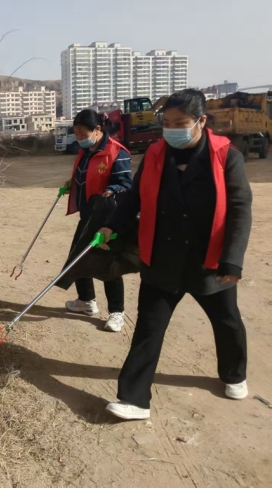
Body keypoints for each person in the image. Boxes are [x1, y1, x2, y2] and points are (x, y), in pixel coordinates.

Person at [99, 89, 253, 420]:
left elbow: (240, 210)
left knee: (227, 322)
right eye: (166, 123)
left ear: (201, 121)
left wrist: (232, 260)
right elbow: (133, 197)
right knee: (148, 329)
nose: (171, 129)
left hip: (208, 260)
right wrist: (112, 226)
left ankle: (234, 374)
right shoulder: (156, 154)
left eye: (180, 123)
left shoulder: (227, 156)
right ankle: (134, 399)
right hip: (162, 257)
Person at [64, 109, 133, 332]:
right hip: (88, 214)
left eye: (83, 133)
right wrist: (72, 182)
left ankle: (117, 312)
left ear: (97, 130)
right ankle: (86, 301)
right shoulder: (86, 152)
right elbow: (85, 175)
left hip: (109, 217)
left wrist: (112, 188)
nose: (79, 138)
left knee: (108, 262)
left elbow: (126, 184)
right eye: (76, 134)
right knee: (79, 256)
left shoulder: (117, 153)